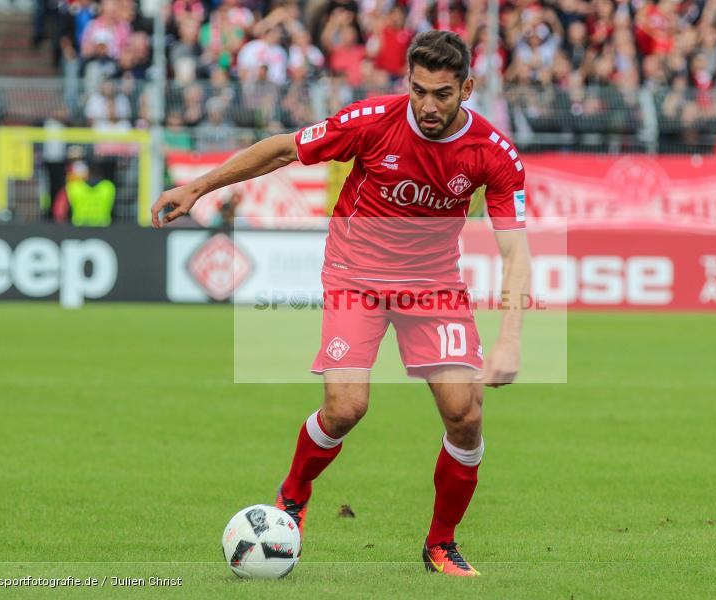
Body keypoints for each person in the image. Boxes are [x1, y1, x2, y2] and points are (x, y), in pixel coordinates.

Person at [151, 30, 531, 577]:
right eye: (418, 90)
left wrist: (512, 340)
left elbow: (516, 249)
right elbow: (284, 147)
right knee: (347, 407)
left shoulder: (493, 154)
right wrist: (197, 188)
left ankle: (440, 544)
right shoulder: (373, 120)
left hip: (433, 286)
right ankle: (293, 493)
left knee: (466, 415)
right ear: (407, 82)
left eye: (442, 94)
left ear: (467, 88)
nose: (427, 105)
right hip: (356, 274)